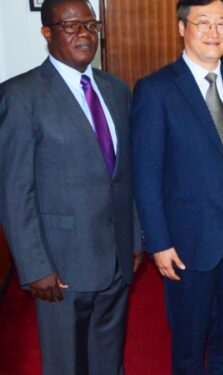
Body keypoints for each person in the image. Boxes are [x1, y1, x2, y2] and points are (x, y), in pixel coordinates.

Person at [131, 0, 223, 373]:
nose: (214, 33)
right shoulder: (156, 89)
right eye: (203, 23)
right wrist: (158, 243)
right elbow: (146, 175)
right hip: (186, 243)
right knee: (189, 345)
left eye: (222, 24)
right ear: (182, 27)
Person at [0, 0, 141, 373]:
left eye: (90, 25)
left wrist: (136, 240)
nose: (84, 33)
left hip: (116, 257)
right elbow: (15, 191)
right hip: (60, 265)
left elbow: (126, 175)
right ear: (46, 33)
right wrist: (34, 267)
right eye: (70, 26)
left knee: (107, 360)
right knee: (66, 364)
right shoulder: (20, 95)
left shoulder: (116, 89)